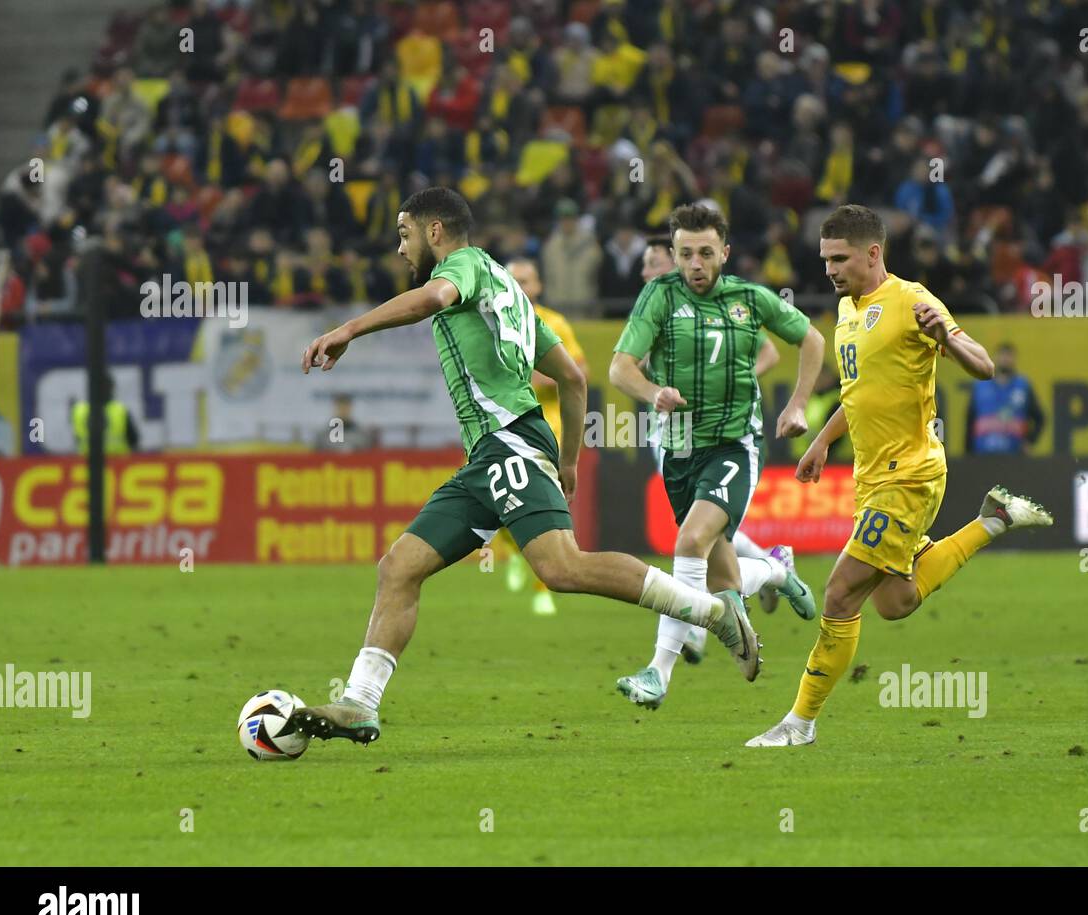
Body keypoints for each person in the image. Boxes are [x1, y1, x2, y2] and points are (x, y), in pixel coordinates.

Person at [293, 188, 759, 746]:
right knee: (399, 567)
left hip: (508, 441)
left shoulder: (460, 269)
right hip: (493, 454)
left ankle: (713, 611)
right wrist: (568, 462)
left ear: (435, 231)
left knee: (562, 568)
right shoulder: (506, 287)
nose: (400, 248)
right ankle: (360, 703)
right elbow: (573, 378)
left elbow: (430, 299)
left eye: (404, 233)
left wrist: (348, 329)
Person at [746, 205, 1053, 748]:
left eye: (839, 259)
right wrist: (821, 441)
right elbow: (859, 392)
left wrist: (949, 339)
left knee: (840, 594)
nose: (829, 270)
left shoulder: (913, 300)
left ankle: (799, 724)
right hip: (872, 475)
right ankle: (994, 521)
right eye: (824, 260)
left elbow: (983, 365)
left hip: (909, 473)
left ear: (873, 253)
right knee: (894, 602)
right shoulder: (846, 310)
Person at [609, 203, 827, 709]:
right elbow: (620, 368)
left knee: (688, 544)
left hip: (734, 445)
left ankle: (658, 673)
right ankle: (775, 571)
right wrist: (653, 393)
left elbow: (812, 339)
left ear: (725, 252)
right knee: (716, 578)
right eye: (685, 254)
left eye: (705, 253)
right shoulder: (659, 297)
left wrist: (797, 405)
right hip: (679, 447)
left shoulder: (750, 299)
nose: (695, 264)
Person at [641, 233, 789, 612]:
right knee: (698, 529)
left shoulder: (722, 307)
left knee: (696, 529)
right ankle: (768, 568)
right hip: (670, 431)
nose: (646, 271)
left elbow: (770, 352)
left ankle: (690, 634)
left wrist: (735, 382)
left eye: (654, 262)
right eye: (644, 264)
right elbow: (630, 366)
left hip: (716, 433)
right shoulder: (654, 306)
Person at [498, 257, 590, 617]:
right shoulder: (494, 323)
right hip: (501, 430)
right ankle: (520, 557)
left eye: (526, 280)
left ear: (537, 286)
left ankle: (541, 588)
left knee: (538, 516)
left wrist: (546, 380)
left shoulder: (554, 323)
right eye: (513, 280)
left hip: (545, 430)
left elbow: (580, 371)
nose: (520, 286)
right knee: (497, 507)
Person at [965, 343, 1045, 454]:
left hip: (1014, 456)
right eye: (1002, 355)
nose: (1005, 359)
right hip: (982, 455)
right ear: (995, 358)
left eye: (1009, 356)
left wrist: (1030, 441)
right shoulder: (980, 385)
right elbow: (970, 420)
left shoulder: (1023, 386)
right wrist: (968, 451)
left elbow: (1040, 418)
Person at [72, 374, 139, 454]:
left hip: (86, 463)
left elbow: (77, 440)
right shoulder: (120, 410)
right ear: (111, 388)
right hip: (118, 463)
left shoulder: (79, 410)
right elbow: (134, 441)